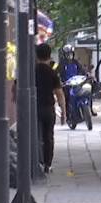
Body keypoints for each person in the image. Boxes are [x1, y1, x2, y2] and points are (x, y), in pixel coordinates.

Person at [35, 43, 66, 173]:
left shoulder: (31, 70)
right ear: (49, 56)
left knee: (36, 136)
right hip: (48, 108)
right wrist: (63, 111)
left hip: (34, 109)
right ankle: (48, 165)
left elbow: (16, 85)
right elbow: (59, 93)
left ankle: (37, 163)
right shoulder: (52, 73)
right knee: (48, 137)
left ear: (36, 56)